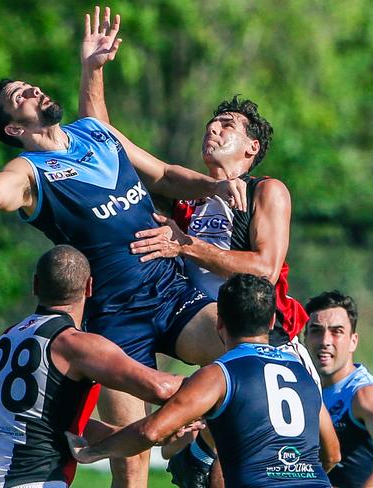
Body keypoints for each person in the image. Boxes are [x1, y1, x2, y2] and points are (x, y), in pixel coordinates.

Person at [0, 7, 243, 487]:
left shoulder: (95, 133)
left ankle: (201, 456)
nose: (33, 90)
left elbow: (162, 174)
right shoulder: (28, 170)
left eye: (31, 85)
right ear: (14, 128)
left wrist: (213, 187)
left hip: (169, 291)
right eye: (20, 95)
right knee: (133, 453)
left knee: (245, 360)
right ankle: (189, 450)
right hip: (114, 316)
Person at [78, 9, 319, 487]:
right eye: (212, 123)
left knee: (271, 448)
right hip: (168, 315)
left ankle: (204, 445)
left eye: (227, 125)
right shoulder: (185, 192)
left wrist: (184, 247)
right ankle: (197, 442)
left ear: (251, 149)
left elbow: (265, 269)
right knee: (132, 460)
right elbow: (105, 141)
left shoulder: (266, 191)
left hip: (243, 332)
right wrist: (93, 70)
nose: (214, 128)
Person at [67, 274, 340, 487]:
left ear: (219, 322)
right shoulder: (301, 372)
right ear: (271, 323)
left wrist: (92, 451)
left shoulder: (220, 374)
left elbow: (150, 432)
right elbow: (332, 455)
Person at [0, 245, 188, 488]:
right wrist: (219, 380)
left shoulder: (9, 336)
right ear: (89, 287)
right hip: (34, 481)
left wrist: (138, 436)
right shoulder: (75, 345)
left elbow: (48, 423)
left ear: (35, 284)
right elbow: (161, 389)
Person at [304, 291, 373, 487]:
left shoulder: (365, 394)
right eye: (316, 331)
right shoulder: (303, 390)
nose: (325, 341)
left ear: (353, 341)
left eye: (336, 332)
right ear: (305, 338)